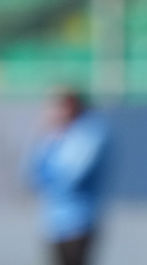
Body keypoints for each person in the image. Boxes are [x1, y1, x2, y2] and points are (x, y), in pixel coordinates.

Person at [27, 88, 112, 265]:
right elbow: (32, 174)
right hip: (54, 224)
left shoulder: (91, 133)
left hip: (79, 222)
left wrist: (49, 180)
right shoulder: (54, 136)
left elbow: (71, 178)